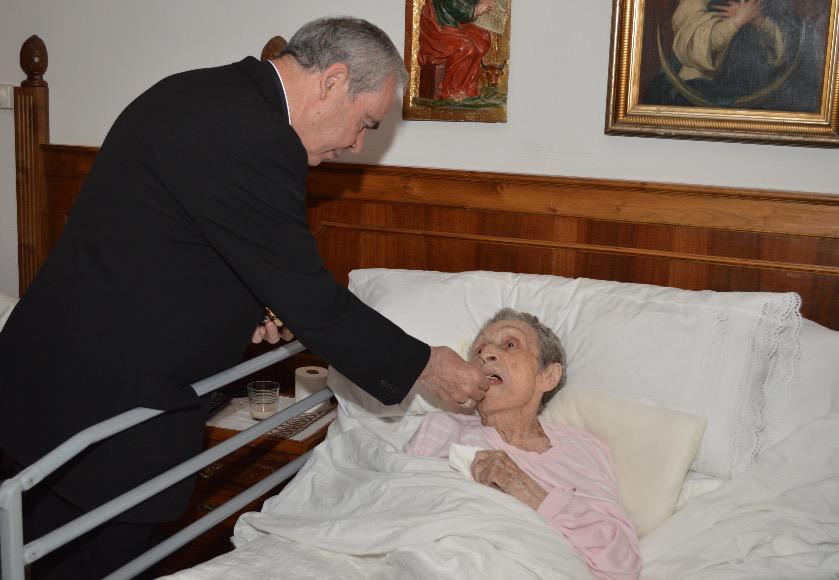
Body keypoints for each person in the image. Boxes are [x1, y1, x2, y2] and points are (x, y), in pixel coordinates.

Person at [0, 17, 488, 579]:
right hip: (101, 399)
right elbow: (315, 302)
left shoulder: (206, 93)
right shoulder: (252, 138)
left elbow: (175, 239)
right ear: (332, 81)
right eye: (364, 123)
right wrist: (425, 364)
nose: (356, 144)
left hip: (57, 374)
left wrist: (249, 303)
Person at [405, 308, 641, 580]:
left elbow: (622, 564)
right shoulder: (441, 429)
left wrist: (526, 489)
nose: (485, 355)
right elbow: (399, 511)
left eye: (510, 344)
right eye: (478, 350)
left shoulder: (584, 450)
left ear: (548, 376)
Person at [645, 0, 822, 112]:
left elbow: (786, 45)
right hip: (702, 91)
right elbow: (691, 44)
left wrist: (759, 21)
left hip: (761, 95)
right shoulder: (695, 3)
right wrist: (737, 22)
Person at [418, 0, 496, 101]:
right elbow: (455, 6)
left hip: (454, 25)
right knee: (466, 48)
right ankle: (451, 91)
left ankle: (468, 84)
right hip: (438, 30)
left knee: (482, 39)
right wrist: (476, 9)